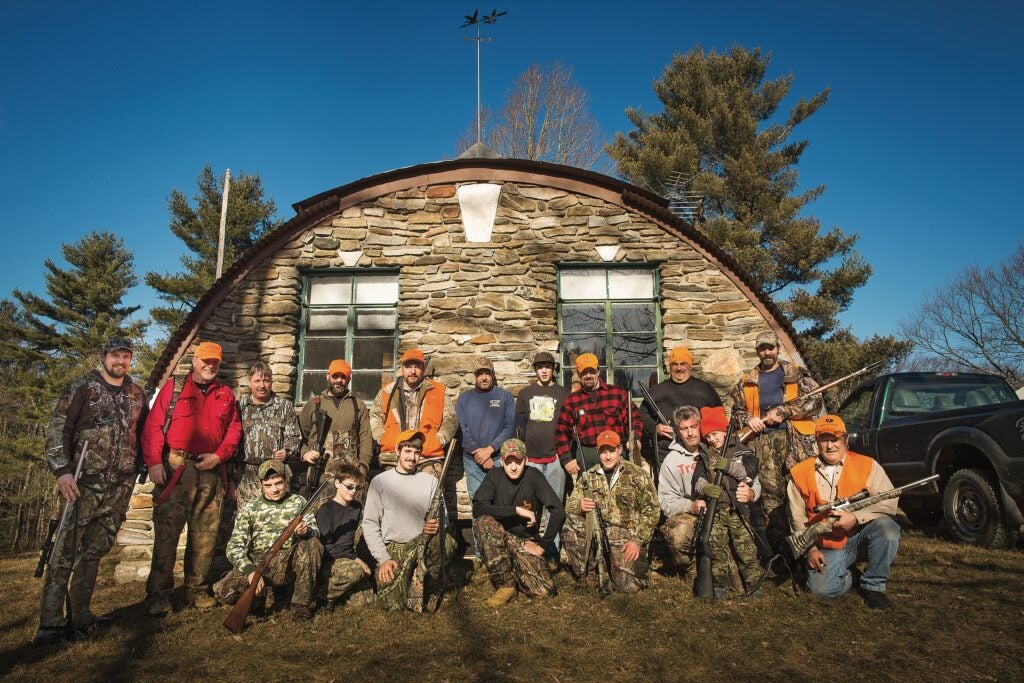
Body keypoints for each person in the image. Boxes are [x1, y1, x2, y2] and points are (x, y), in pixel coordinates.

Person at [33, 338, 148, 645]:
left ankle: (81, 615)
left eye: (126, 356)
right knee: (65, 551)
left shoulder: (137, 394)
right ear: (104, 357)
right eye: (115, 356)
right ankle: (51, 623)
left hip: (119, 484)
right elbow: (58, 428)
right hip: (83, 481)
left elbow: (145, 433)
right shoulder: (82, 388)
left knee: (95, 550)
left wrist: (143, 465)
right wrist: (62, 471)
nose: (120, 361)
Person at [142, 340, 242, 616]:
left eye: (215, 362)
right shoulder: (173, 388)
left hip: (210, 471)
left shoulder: (225, 394)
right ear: (195, 361)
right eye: (205, 361)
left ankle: (196, 590)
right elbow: (153, 428)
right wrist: (154, 462)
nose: (210, 366)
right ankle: (158, 595)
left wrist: (219, 456)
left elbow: (234, 431)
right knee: (167, 534)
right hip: (177, 468)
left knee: (205, 536)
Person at [787, 415, 902, 609]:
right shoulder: (800, 473)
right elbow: (796, 517)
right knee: (820, 591)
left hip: (860, 537)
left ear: (846, 440)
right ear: (816, 443)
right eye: (824, 440)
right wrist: (810, 550)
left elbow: (889, 502)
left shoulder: (868, 465)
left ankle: (874, 586)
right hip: (827, 545)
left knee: (888, 529)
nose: (830, 445)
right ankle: (852, 576)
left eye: (835, 439)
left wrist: (856, 518)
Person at [729, 331, 823, 549]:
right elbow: (736, 414)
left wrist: (786, 411)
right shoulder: (747, 381)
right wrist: (749, 419)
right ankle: (782, 554)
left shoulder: (797, 374)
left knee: (801, 493)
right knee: (771, 500)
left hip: (797, 444)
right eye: (762, 348)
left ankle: (811, 547)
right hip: (763, 443)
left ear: (778, 348)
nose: (767, 352)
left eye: (770, 347)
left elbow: (816, 401)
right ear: (757, 351)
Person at [212, 460, 322, 620]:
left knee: (313, 544)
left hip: (287, 561)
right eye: (268, 485)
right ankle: (258, 600)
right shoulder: (250, 508)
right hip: (258, 563)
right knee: (225, 593)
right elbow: (233, 547)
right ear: (261, 484)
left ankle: (301, 605)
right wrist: (250, 572)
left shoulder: (299, 502)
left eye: (278, 483)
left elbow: (316, 533)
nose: (275, 489)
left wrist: (307, 532)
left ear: (286, 480)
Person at [361, 430, 456, 612]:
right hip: (394, 548)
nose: (412, 457)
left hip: (422, 543)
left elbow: (443, 518)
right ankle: (410, 582)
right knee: (392, 607)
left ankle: (432, 585)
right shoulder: (380, 482)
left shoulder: (430, 482)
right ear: (397, 451)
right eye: (407, 451)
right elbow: (370, 524)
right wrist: (383, 558)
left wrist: (436, 525)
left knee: (446, 542)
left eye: (416, 452)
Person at [471, 439, 565, 606]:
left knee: (544, 590)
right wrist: (515, 510)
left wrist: (543, 545)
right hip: (500, 538)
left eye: (518, 461)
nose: (513, 467)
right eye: (509, 462)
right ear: (502, 461)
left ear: (526, 460)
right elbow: (478, 508)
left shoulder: (534, 476)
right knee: (483, 522)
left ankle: (517, 569)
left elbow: (558, 510)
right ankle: (506, 585)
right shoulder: (494, 476)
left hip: (525, 541)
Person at [563, 430, 659, 594]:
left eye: (611, 451)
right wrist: (580, 505)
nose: (607, 457)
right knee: (571, 523)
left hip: (626, 538)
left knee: (629, 587)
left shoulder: (637, 475)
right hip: (597, 535)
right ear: (598, 452)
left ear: (619, 450)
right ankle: (588, 574)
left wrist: (637, 540)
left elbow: (652, 510)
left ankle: (613, 568)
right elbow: (570, 505)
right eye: (603, 452)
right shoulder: (588, 476)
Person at [691, 405, 763, 597]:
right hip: (716, 511)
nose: (711, 439)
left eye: (715, 433)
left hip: (737, 510)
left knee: (746, 550)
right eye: (707, 436)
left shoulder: (742, 451)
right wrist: (705, 488)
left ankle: (755, 585)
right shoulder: (704, 456)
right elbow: (697, 479)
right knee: (716, 550)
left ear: (724, 430)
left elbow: (750, 471)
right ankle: (718, 586)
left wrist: (730, 467)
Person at [370, 348, 457, 475]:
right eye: (409, 366)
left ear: (423, 369)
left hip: (427, 458)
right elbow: (374, 417)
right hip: (393, 457)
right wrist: (383, 438)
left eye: (417, 367)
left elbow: (451, 419)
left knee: (429, 493)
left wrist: (439, 439)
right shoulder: (387, 392)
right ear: (402, 369)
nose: (413, 371)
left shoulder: (437, 391)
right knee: (393, 494)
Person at [555, 353, 643, 476]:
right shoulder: (571, 401)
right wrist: (566, 459)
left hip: (615, 452)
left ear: (598, 372)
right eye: (584, 372)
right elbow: (561, 432)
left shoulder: (618, 394)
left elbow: (635, 419)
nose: (588, 376)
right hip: (587, 456)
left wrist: (634, 439)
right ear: (579, 375)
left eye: (591, 371)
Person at [297, 358, 372, 497]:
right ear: (327, 376)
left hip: (350, 475)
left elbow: (366, 439)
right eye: (335, 376)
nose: (339, 380)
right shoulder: (314, 404)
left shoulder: (358, 405)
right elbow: (298, 436)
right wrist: (305, 453)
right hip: (319, 474)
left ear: (349, 379)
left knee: (349, 515)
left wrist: (363, 467)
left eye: (343, 377)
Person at [639, 346, 722, 468]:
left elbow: (719, 415)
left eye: (683, 363)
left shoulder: (705, 389)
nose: (679, 368)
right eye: (674, 364)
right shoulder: (657, 391)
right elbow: (641, 413)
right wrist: (655, 428)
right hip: (667, 452)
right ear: (670, 367)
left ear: (690, 366)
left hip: (702, 451)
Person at [234, 361, 302, 506]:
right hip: (247, 474)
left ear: (271, 382)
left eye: (266, 380)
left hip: (275, 473)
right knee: (247, 518)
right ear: (250, 382)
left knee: (276, 520)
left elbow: (295, 436)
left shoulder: (284, 406)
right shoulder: (240, 407)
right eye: (257, 381)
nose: (262, 385)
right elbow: (231, 438)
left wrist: (287, 451)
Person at [456, 356, 515, 500]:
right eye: (480, 374)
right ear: (474, 376)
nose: (484, 377)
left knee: (501, 501)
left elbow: (509, 428)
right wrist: (479, 454)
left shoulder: (505, 396)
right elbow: (462, 431)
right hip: (473, 460)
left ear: (493, 375)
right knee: (478, 502)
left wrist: (489, 450)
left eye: (487, 373)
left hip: (499, 458)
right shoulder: (464, 399)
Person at [315, 463, 373, 608]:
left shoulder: (356, 507)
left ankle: (337, 595)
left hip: (349, 558)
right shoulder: (325, 510)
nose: (353, 491)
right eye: (349, 486)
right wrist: (356, 560)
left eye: (357, 487)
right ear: (337, 483)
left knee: (368, 602)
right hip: (331, 561)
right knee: (357, 571)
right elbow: (327, 546)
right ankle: (321, 593)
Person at [515, 351, 570, 502]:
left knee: (555, 504)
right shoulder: (525, 394)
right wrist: (522, 455)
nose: (544, 371)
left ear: (553, 369)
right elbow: (519, 427)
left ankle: (551, 527)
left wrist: (563, 456)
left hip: (555, 459)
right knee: (529, 505)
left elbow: (569, 427)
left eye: (547, 367)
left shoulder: (564, 394)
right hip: (531, 459)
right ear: (535, 370)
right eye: (540, 367)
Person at [656, 405, 705, 576]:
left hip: (724, 511)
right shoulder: (671, 460)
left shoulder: (717, 446)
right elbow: (666, 502)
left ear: (701, 424)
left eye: (693, 426)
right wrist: (691, 506)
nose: (690, 433)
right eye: (684, 429)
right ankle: (690, 569)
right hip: (692, 513)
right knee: (677, 533)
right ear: (678, 431)